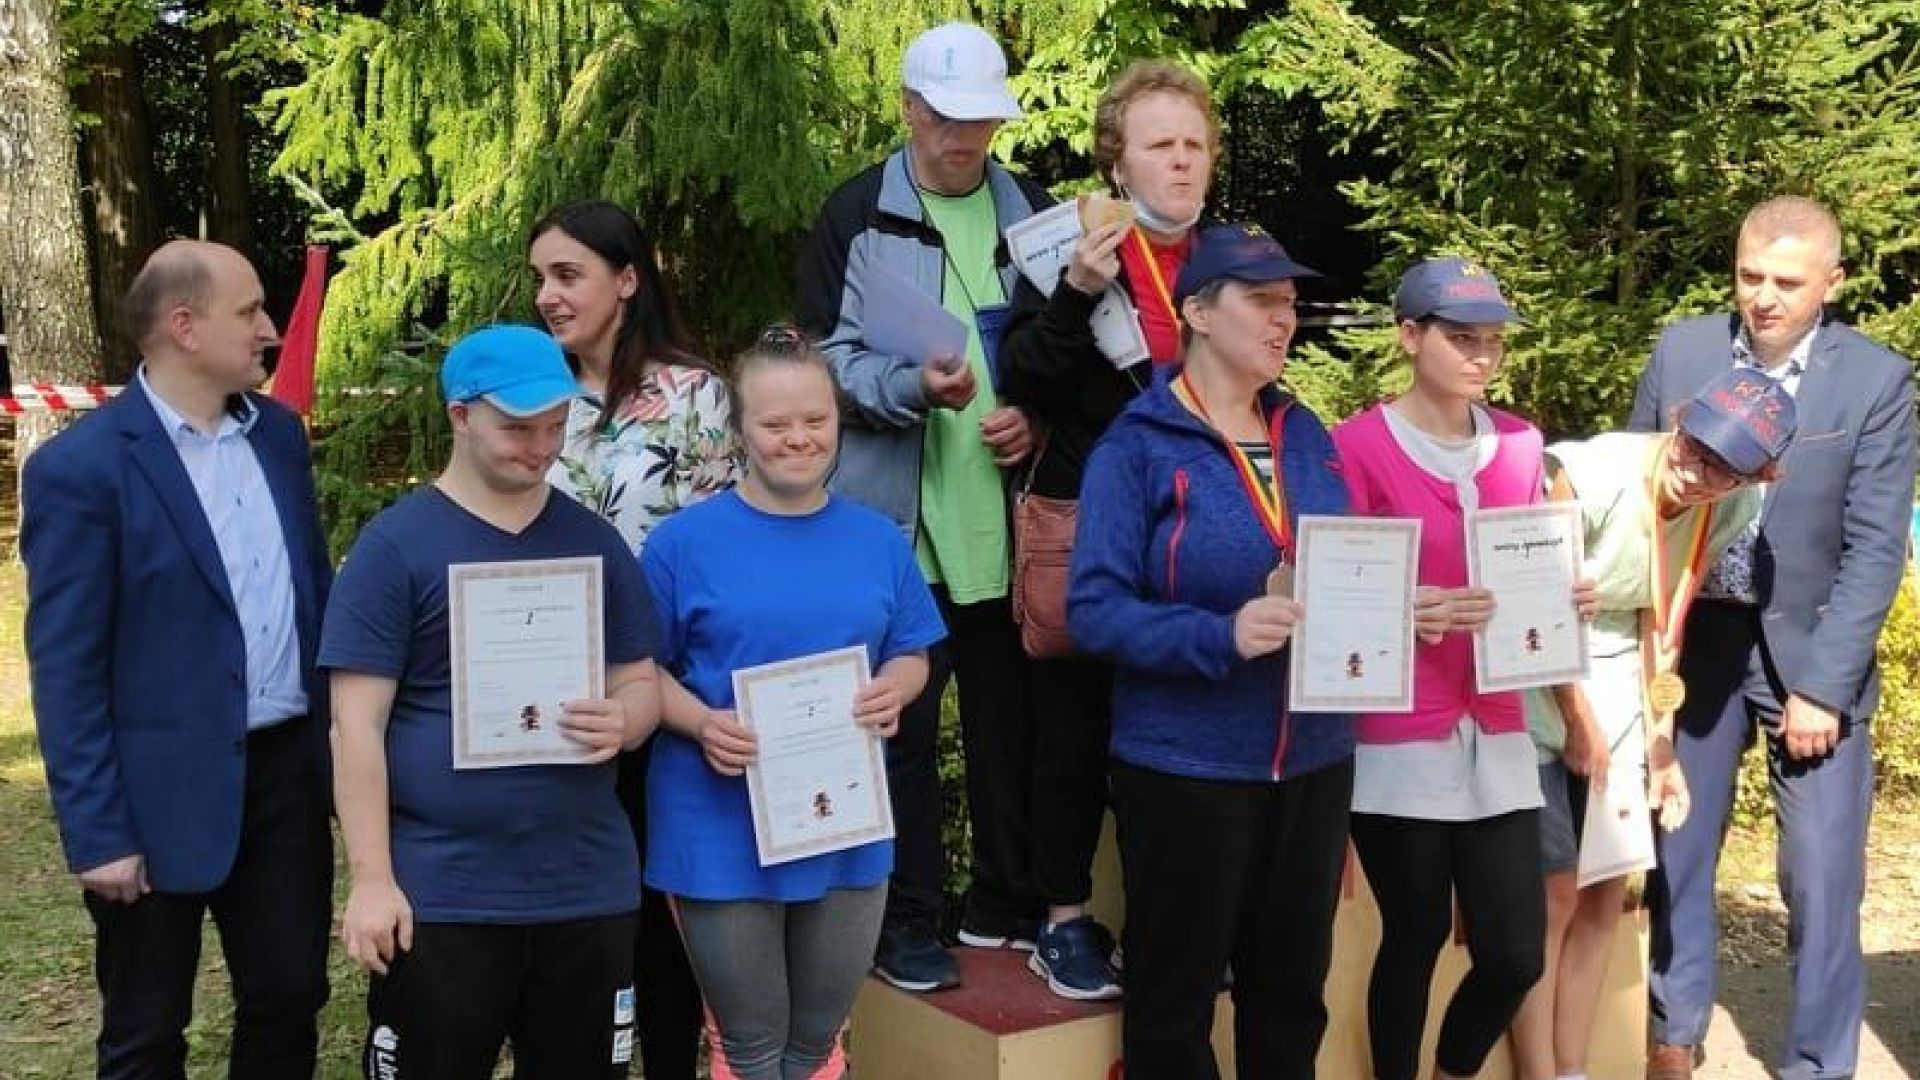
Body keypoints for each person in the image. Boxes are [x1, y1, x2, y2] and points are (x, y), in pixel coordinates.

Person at [22, 239, 334, 1079]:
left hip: (284, 785)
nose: (270, 329)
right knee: (147, 1028)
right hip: (152, 797)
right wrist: (99, 833)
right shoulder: (80, 471)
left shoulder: (278, 437)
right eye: (252, 311)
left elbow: (314, 593)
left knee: (288, 996)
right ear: (184, 327)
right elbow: (66, 667)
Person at [1627, 196, 1917, 1080]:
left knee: (1821, 879)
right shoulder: (1682, 351)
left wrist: (1826, 687)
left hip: (1813, 647)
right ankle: (1673, 1031)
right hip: (1699, 640)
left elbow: (1876, 548)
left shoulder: (1875, 380)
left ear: (1829, 283)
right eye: (1750, 276)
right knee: (1676, 845)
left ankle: (1817, 1062)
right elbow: (1635, 486)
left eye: (1787, 282)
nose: (1764, 297)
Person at [323, 325, 662, 1078]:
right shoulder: (394, 549)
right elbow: (356, 725)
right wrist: (372, 878)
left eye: (555, 425)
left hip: (584, 887)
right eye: (518, 428)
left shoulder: (594, 543)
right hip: (443, 894)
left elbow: (641, 681)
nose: (542, 446)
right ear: (460, 415)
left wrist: (629, 717)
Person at [795, 20, 1048, 991]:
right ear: (908, 109)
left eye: (981, 121)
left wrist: (1034, 415)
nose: (964, 140)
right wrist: (911, 390)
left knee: (1008, 729)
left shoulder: (1035, 214)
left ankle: (1006, 906)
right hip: (896, 531)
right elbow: (819, 363)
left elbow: (1068, 354)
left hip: (1009, 525)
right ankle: (905, 925)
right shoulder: (855, 215)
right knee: (895, 737)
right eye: (946, 120)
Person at [1069, 223, 1353, 1079]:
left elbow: (1337, 568)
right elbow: (1094, 612)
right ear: (1196, 310)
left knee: (1292, 997)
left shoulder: (1307, 433)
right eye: (1261, 300)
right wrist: (1219, 635)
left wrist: (1397, 608)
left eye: (1291, 303)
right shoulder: (1138, 446)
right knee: (1172, 1009)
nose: (1284, 319)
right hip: (1186, 767)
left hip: (1312, 761)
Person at [639, 326, 944, 1078]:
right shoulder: (682, 544)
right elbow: (638, 673)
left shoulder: (877, 540)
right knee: (750, 1047)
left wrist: (894, 690)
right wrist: (699, 721)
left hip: (844, 818)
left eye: (816, 421)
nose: (798, 440)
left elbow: (914, 652)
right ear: (741, 430)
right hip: (718, 821)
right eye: (776, 424)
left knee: (814, 1045)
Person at [1333, 258, 1596, 1080]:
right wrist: (1409, 608)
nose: (1481, 356)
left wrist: (1563, 598)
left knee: (1516, 951)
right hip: (1397, 732)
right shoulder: (1357, 447)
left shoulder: (1521, 445)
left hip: (1499, 727)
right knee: (1412, 935)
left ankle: (1453, 1070)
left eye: (1492, 341)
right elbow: (1337, 589)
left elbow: (1529, 580)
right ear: (1410, 337)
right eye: (1460, 338)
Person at [996, 57, 1220, 1001]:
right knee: (1075, 730)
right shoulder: (1064, 252)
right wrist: (1080, 293)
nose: (1181, 162)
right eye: (1159, 145)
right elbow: (1027, 379)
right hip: (1095, 517)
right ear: (1117, 165)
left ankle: (1174, 920)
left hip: (1202, 525)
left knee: (1180, 725)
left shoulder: (1231, 258)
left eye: (1195, 144)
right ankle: (1063, 920)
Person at [1506, 368, 1799, 1080]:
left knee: (1607, 888)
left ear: (1756, 475)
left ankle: (1574, 1067)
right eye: (1693, 450)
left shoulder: (1727, 505)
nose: (1696, 475)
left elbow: (1664, 615)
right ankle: (1538, 1072)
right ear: (1681, 423)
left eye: (1723, 471)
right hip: (1537, 664)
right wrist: (1576, 718)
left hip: (1626, 687)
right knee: (1553, 894)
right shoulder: (1589, 475)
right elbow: (1532, 604)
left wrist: (1659, 741)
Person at [529, 198, 737, 1080]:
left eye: (567, 274)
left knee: (658, 921)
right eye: (539, 277)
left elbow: (720, 557)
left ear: (627, 279)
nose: (547, 294)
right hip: (549, 702)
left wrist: (680, 702)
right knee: (570, 924)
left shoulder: (695, 397)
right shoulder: (528, 396)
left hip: (664, 699)